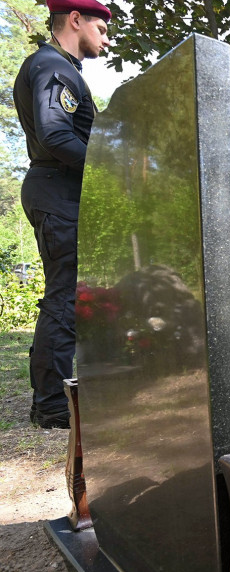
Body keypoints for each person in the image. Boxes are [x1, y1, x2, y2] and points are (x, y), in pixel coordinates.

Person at [13, 0, 111, 429]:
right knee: (64, 299)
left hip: (56, 191)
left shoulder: (54, 66)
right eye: (102, 28)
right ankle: (51, 406)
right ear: (75, 20)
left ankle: (54, 395)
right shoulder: (55, 68)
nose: (106, 39)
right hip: (58, 192)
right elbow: (55, 134)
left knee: (66, 296)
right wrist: (110, 168)